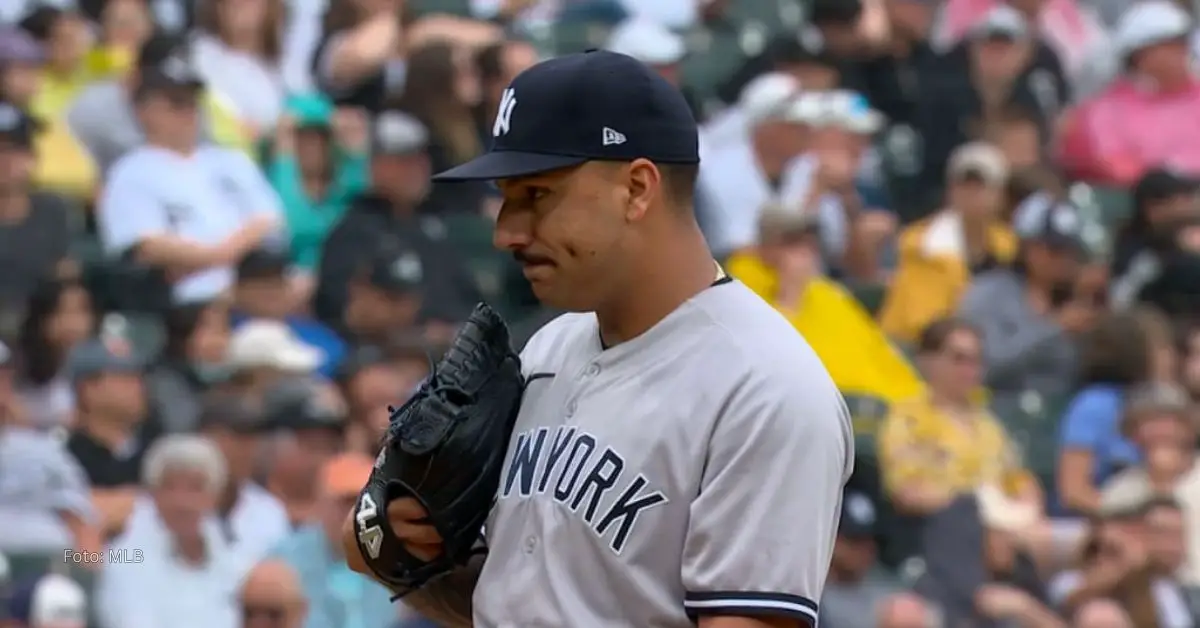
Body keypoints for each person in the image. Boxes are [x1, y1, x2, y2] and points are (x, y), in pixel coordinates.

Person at [343, 50, 854, 627]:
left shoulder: (768, 389)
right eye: (506, 198)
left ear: (636, 189)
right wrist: (404, 557)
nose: (506, 232)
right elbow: (519, 605)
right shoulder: (547, 351)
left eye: (535, 196)